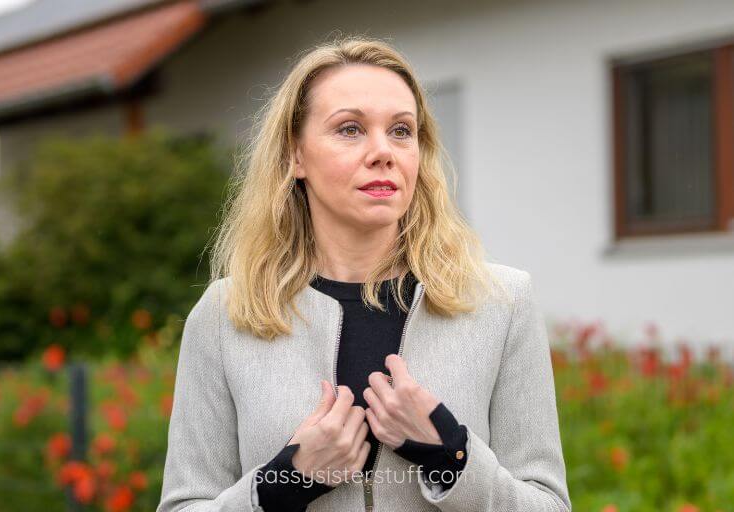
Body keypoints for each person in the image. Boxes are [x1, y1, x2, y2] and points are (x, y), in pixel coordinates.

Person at [157, 35, 571, 512]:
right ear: (295, 155)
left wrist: (449, 456)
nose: (383, 151)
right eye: (350, 129)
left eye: (401, 131)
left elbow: (549, 505)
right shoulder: (225, 314)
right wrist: (285, 482)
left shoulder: (502, 302)